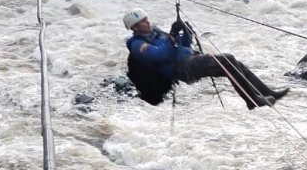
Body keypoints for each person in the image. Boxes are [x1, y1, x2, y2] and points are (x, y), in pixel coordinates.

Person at [122, 9, 289, 109]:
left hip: (189, 59)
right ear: (134, 27)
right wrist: (172, 35)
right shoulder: (137, 45)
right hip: (181, 68)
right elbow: (161, 54)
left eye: (146, 19)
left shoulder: (156, 33)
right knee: (227, 59)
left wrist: (185, 31)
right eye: (143, 22)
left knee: (236, 65)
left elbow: (183, 43)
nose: (147, 22)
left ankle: (266, 92)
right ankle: (252, 100)